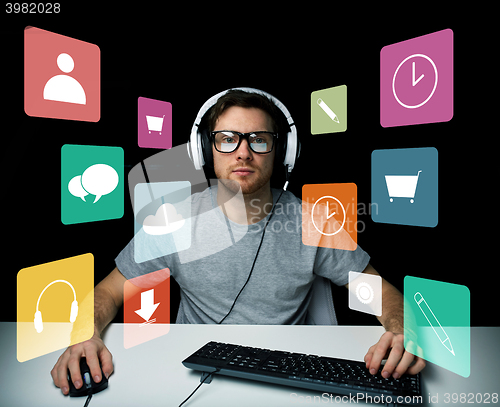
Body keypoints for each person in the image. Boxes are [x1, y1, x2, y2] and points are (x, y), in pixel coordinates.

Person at [51, 89, 425, 395]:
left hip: (286, 375)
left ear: (282, 154)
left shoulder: (314, 221)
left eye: (258, 140)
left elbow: (379, 292)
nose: (243, 152)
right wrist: (84, 336)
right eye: (227, 139)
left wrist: (401, 330)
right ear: (205, 151)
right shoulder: (173, 220)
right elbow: (108, 291)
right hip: (194, 374)